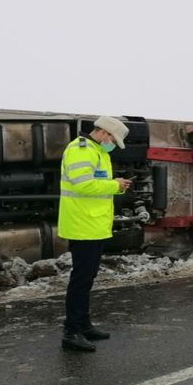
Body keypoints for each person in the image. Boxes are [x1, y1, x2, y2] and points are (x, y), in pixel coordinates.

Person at [57, 116, 132, 351]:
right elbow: (83, 184)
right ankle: (71, 332)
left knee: (87, 278)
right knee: (80, 280)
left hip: (93, 225)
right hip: (82, 225)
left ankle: (84, 324)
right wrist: (114, 185)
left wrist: (116, 185)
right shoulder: (80, 150)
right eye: (112, 139)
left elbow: (96, 186)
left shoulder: (98, 152)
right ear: (103, 133)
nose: (112, 144)